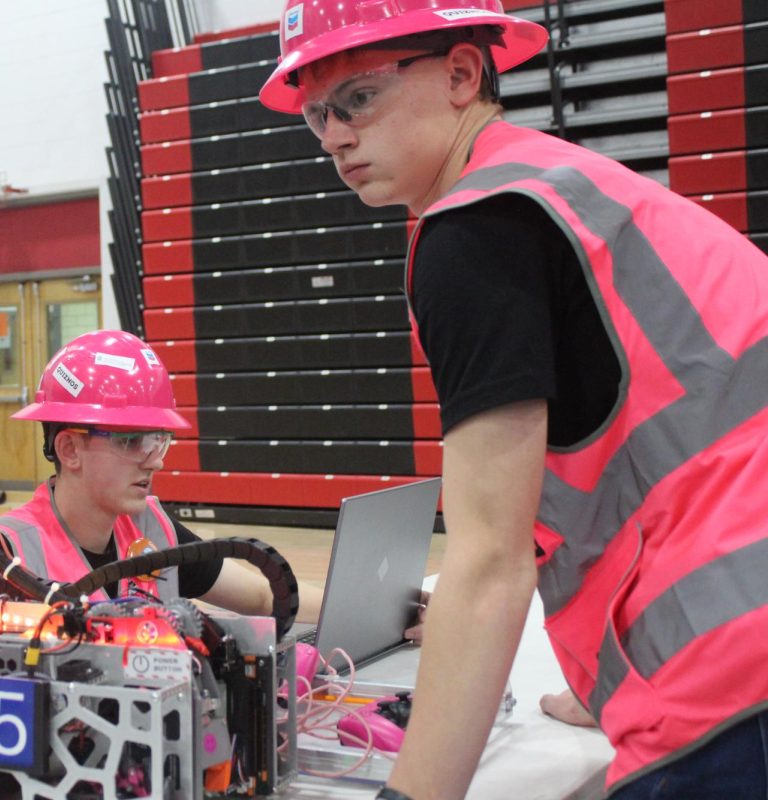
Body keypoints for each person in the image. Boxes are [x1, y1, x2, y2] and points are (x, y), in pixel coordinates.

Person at [259, 1, 768, 799]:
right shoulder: (566, 187)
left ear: (462, 73)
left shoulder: (477, 230)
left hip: (733, 665)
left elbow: (491, 563)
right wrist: (609, 691)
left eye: (356, 98)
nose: (334, 137)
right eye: (317, 116)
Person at [0, 329, 322, 622]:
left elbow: (261, 595)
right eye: (132, 441)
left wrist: (367, 610)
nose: (155, 462)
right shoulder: (0, 554)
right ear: (69, 450)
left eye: (158, 441)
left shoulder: (152, 528)